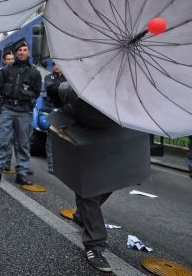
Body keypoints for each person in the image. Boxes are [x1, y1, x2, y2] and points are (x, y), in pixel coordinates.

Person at [46, 80, 115, 273]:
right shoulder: (75, 89)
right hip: (81, 135)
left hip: (111, 137)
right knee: (88, 191)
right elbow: (52, 90)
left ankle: (81, 215)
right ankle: (95, 245)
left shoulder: (128, 92)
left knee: (111, 182)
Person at [0, 41, 41, 185]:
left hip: (24, 111)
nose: (22, 52)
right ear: (15, 53)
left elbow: (36, 92)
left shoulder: (34, 72)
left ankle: (21, 173)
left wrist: (25, 97)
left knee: (23, 144)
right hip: (8, 109)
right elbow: (0, 88)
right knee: (2, 141)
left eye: (25, 50)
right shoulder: (6, 70)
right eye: (19, 50)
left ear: (28, 52)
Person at [43, 63, 66, 173]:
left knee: (65, 138)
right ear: (52, 67)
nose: (57, 67)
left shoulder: (67, 78)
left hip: (66, 111)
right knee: (51, 137)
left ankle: (63, 165)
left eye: (59, 65)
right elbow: (53, 90)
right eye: (55, 65)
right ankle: (51, 165)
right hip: (53, 110)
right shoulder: (48, 77)